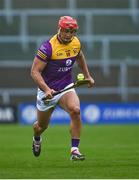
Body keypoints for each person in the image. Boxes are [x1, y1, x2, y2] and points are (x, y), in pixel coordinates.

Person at [31, 16, 95, 161]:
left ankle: (74, 150)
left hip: (65, 86)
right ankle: (36, 138)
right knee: (41, 127)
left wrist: (87, 75)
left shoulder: (76, 43)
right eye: (66, 31)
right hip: (47, 91)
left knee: (75, 110)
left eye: (72, 31)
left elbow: (80, 57)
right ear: (59, 29)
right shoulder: (48, 47)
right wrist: (46, 89)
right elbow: (34, 72)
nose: (68, 34)